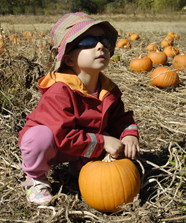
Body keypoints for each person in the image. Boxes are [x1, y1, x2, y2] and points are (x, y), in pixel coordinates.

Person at [18, 12, 140, 205]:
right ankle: (35, 178)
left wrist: (129, 134)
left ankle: (79, 164)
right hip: (53, 145)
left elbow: (120, 118)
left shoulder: (108, 90)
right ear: (68, 59)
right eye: (88, 42)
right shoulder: (59, 91)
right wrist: (103, 142)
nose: (100, 46)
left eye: (104, 42)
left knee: (112, 137)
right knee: (38, 138)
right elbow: (61, 135)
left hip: (80, 143)